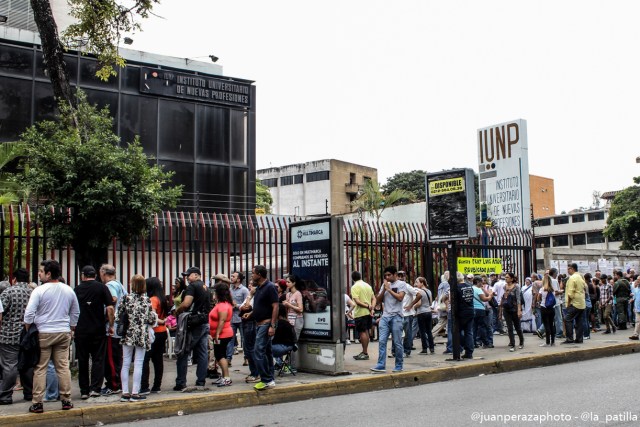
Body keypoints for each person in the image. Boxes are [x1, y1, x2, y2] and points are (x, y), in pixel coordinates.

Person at [24, 260, 80, 414]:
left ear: (49, 274)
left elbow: (29, 313)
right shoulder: (68, 290)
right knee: (62, 367)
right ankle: (66, 400)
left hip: (44, 332)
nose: (39, 274)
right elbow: (75, 312)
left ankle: (37, 402)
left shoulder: (39, 290)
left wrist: (28, 327)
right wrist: (71, 327)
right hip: (63, 332)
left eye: (42, 271)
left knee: (40, 368)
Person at [74, 265, 115, 399]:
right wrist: (111, 324)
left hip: (81, 330)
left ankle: (84, 390)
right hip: (98, 329)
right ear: (95, 275)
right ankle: (95, 388)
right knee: (98, 359)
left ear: (83, 276)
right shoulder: (102, 288)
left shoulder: (77, 289)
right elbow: (110, 308)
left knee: (83, 360)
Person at [117, 275, 158, 402]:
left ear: (132, 284)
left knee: (126, 362)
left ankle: (125, 392)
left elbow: (118, 315)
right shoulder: (146, 300)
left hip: (127, 333)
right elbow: (151, 319)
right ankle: (135, 392)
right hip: (141, 334)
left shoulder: (126, 298)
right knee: (139, 363)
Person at [0, 268, 33, 405]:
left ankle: (5, 395)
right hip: (28, 333)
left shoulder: (8, 292)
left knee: (9, 365)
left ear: (14, 279)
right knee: (27, 364)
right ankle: (29, 392)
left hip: (9, 334)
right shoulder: (34, 293)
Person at [174, 267, 210, 391]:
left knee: (183, 351)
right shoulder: (206, 287)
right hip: (204, 321)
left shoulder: (193, 286)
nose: (187, 278)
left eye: (189, 275)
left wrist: (177, 311)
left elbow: (186, 303)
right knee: (202, 353)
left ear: (196, 275)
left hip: (194, 323)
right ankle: (201, 381)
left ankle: (180, 382)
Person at [370, 266, 407, 373]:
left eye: (389, 275)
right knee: (382, 341)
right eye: (385, 275)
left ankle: (399, 365)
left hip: (396, 317)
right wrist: (384, 290)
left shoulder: (401, 284)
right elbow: (378, 300)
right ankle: (381, 365)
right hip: (385, 317)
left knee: (397, 342)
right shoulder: (385, 285)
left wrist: (389, 290)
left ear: (395, 274)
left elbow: (400, 298)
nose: (387, 277)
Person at [250, 265, 279, 391]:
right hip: (259, 324)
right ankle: (270, 379)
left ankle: (266, 379)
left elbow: (275, 307)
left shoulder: (270, 287)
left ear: (259, 275)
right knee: (267, 352)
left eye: (253, 273)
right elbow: (259, 306)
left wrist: (272, 325)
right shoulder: (260, 288)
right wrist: (250, 314)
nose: (252, 276)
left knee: (258, 351)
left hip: (266, 324)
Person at [100, 264, 126, 396]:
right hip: (119, 326)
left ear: (104, 273)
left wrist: (109, 321)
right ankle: (118, 383)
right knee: (117, 357)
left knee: (111, 358)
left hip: (113, 327)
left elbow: (113, 300)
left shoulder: (110, 286)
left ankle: (113, 385)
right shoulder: (120, 284)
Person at [140, 277, 169, 394]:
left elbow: (151, 316)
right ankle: (157, 385)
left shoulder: (152, 299)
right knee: (158, 360)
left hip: (153, 332)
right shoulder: (162, 299)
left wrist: (159, 321)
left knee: (145, 359)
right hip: (162, 332)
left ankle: (144, 386)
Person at [209, 283, 234, 387]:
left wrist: (217, 333)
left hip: (222, 334)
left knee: (220, 356)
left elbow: (222, 320)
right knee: (221, 354)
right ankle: (224, 377)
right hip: (222, 334)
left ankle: (227, 378)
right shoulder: (223, 304)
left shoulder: (223, 305)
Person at [350, 271, 375, 360]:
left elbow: (357, 301)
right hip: (368, 313)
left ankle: (365, 353)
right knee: (366, 331)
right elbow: (374, 298)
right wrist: (371, 308)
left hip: (360, 313)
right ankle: (365, 351)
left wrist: (368, 306)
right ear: (360, 276)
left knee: (362, 332)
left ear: (352, 278)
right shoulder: (368, 285)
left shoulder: (354, 287)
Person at [240, 280, 260, 383]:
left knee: (250, 348)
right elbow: (241, 307)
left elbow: (247, 306)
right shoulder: (250, 295)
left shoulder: (254, 297)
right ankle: (254, 372)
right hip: (245, 322)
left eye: (251, 285)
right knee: (247, 348)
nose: (249, 286)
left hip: (251, 323)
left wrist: (250, 296)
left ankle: (255, 373)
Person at [562, 263, 586, 344]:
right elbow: (584, 288)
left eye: (569, 269)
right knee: (579, 321)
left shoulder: (572, 278)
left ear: (572, 269)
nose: (568, 270)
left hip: (574, 303)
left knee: (567, 319)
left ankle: (569, 338)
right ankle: (579, 339)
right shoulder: (580, 277)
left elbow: (570, 293)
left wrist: (568, 304)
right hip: (581, 303)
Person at [500, 272, 524, 352]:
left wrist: (519, 310)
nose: (506, 279)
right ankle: (512, 344)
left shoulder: (516, 287)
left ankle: (521, 342)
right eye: (505, 277)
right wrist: (500, 311)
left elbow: (518, 299)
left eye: (507, 277)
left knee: (517, 327)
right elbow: (503, 298)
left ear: (512, 278)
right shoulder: (504, 287)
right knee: (509, 327)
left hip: (514, 309)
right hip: (506, 309)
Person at [229, 272, 249, 358]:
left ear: (238, 279)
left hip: (241, 318)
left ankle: (246, 357)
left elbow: (247, 305)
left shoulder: (244, 290)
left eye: (233, 276)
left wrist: (236, 305)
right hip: (232, 318)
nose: (231, 278)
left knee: (244, 339)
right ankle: (228, 358)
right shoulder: (230, 290)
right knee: (230, 339)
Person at [413, 277, 435, 355]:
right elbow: (431, 303)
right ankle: (432, 348)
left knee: (422, 331)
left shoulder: (419, 291)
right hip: (428, 312)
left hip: (421, 313)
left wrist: (413, 306)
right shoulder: (429, 291)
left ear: (422, 283)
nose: (416, 284)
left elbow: (418, 303)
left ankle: (424, 349)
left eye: (417, 282)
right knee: (429, 331)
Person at [272, 304, 297, 369]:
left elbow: (275, 340)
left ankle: (268, 369)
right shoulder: (288, 323)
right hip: (289, 346)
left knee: (262, 348)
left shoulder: (278, 324)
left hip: (282, 346)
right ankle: (278, 363)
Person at [472, 276, 494, 349]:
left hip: (472, 309)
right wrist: (490, 296)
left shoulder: (470, 289)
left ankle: (473, 342)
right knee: (482, 327)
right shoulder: (478, 290)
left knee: (474, 327)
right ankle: (486, 342)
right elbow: (485, 299)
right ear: (478, 282)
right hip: (480, 309)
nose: (482, 283)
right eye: (481, 282)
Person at [536, 273, 556, 346]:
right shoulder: (553, 290)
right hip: (552, 308)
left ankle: (547, 342)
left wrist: (539, 301)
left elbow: (538, 298)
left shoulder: (542, 289)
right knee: (551, 324)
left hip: (544, 308)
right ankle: (553, 341)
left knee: (546, 324)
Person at [283, 274, 305, 340]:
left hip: (297, 319)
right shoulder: (288, 294)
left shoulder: (298, 294)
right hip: (289, 318)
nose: (287, 284)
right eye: (286, 282)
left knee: (294, 339)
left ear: (294, 283)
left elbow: (300, 309)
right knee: (289, 338)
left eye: (288, 282)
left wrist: (289, 305)